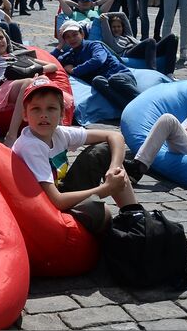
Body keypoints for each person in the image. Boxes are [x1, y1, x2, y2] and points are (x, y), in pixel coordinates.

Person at [11, 76, 146, 233]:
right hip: (43, 208)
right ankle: (113, 244)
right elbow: (57, 201)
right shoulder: (31, 146)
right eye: (36, 109)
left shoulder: (59, 133)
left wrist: (114, 167)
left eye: (51, 108)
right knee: (102, 213)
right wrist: (106, 189)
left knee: (102, 151)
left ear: (62, 114)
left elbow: (115, 136)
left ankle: (134, 215)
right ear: (25, 114)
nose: (43, 115)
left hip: (61, 191)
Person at [52, 19, 141, 109]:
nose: (71, 39)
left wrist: (74, 70)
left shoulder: (94, 45)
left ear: (82, 34)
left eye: (75, 35)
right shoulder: (70, 55)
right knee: (97, 81)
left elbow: (98, 60)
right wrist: (60, 45)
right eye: (67, 37)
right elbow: (51, 60)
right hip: (107, 83)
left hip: (121, 77)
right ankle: (128, 108)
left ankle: (143, 102)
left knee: (114, 79)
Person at [100, 12, 176, 74]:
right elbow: (105, 25)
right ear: (110, 28)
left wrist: (108, 14)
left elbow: (123, 14)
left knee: (172, 38)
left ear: (122, 27)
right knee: (151, 41)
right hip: (128, 53)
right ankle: (153, 72)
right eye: (114, 27)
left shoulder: (128, 35)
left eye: (119, 26)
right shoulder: (111, 39)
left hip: (144, 50)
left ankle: (169, 74)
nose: (116, 29)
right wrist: (105, 17)